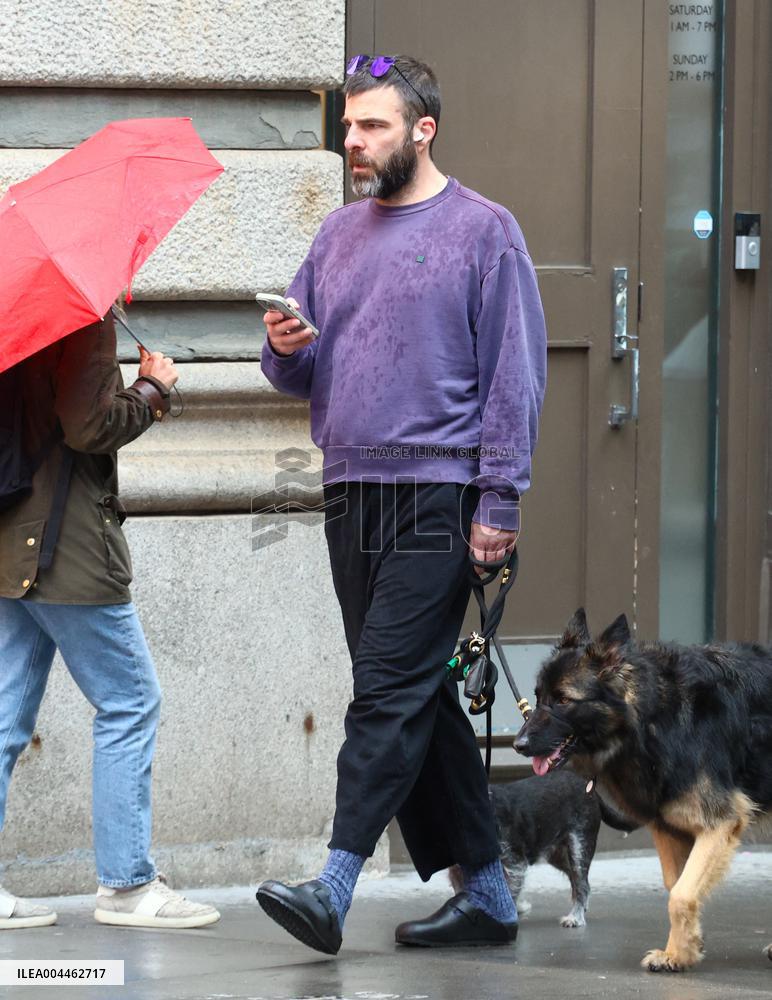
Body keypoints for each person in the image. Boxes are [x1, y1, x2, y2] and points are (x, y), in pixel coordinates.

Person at [257, 54, 546, 954]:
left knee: (385, 692)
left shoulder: (485, 232)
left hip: (439, 494)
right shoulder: (336, 238)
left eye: (371, 125)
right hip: (351, 491)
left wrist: (497, 500)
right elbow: (296, 372)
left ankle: (334, 884)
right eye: (348, 125)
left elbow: (515, 377)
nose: (353, 140)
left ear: (423, 129)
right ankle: (490, 894)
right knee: (415, 695)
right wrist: (283, 347)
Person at [0, 314, 220, 930]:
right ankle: (126, 885)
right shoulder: (81, 322)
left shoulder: (14, 314)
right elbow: (89, 426)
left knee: (3, 719)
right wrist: (152, 389)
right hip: (67, 549)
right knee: (131, 702)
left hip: (10, 542)